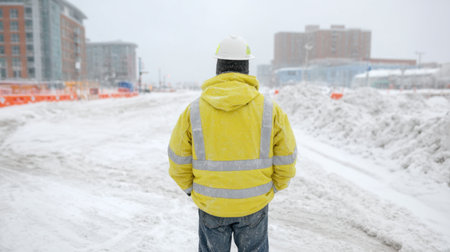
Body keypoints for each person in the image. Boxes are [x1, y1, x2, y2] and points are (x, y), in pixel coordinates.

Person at [168, 35, 297, 252]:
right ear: (246, 68)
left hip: (211, 206)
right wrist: (274, 187)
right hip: (255, 204)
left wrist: (193, 191)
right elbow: (286, 156)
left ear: (218, 67)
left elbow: (177, 160)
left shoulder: (194, 110)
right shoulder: (269, 109)